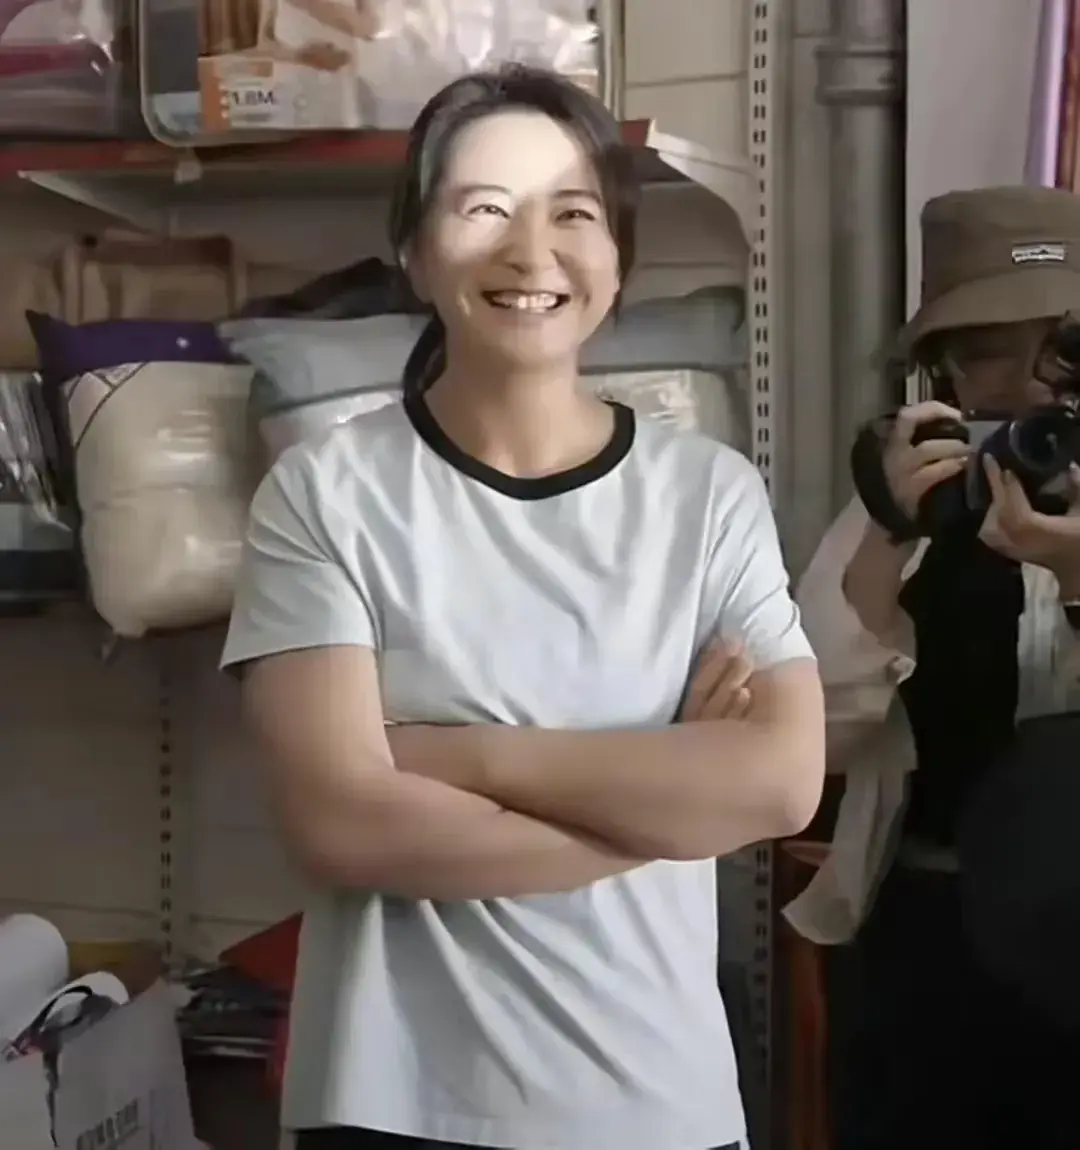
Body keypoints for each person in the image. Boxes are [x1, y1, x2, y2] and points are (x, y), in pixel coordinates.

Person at [221, 65, 824, 1150]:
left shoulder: (708, 494)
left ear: (618, 255)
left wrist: (453, 755)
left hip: (657, 1101)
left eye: (573, 212)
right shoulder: (326, 494)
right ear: (415, 252)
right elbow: (344, 824)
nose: (531, 251)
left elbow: (780, 782)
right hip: (394, 1105)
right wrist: (668, 806)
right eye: (485, 209)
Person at [787, 186, 1080, 1150]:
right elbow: (814, 741)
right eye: (995, 350)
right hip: (928, 931)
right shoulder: (903, 509)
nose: (1036, 388)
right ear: (942, 368)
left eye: (1062, 349)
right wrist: (887, 538)